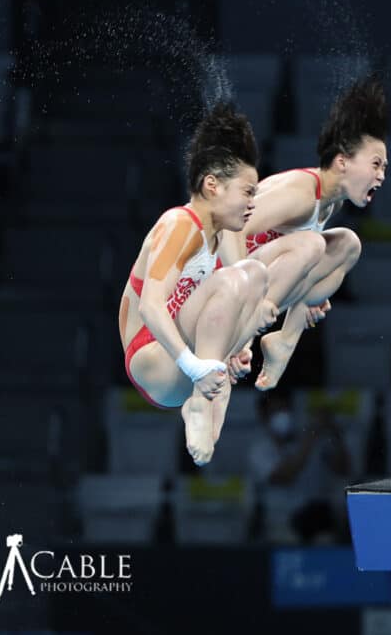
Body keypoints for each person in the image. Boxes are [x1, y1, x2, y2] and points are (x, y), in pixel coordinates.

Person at [118, 102, 279, 466]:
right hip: (151, 355)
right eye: (247, 192)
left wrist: (242, 344)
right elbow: (151, 306)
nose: (253, 204)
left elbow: (245, 296)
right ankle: (201, 402)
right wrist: (193, 367)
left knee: (255, 275)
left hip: (185, 352)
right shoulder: (180, 224)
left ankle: (210, 396)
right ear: (212, 186)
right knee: (233, 279)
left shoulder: (220, 234)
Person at [220, 75, 389, 390]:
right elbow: (227, 230)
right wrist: (239, 335)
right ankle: (242, 334)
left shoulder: (330, 203)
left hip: (261, 280)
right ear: (342, 162)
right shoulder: (300, 193)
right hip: (222, 280)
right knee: (312, 246)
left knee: (347, 245)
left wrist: (311, 292)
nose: (381, 176)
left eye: (385, 168)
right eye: (376, 165)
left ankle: (284, 341)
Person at [248, 388, 352, 544]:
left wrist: (335, 434)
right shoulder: (258, 450)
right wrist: (310, 439)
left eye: (285, 409)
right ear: (263, 416)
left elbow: (343, 469)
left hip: (319, 519)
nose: (282, 415)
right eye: (276, 411)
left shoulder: (314, 441)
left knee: (327, 538)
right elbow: (284, 477)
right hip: (282, 522)